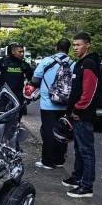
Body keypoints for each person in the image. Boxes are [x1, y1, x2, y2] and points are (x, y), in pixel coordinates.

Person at [62, 32, 100, 198]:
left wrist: (78, 110)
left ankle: (86, 186)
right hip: (77, 115)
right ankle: (77, 178)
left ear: (88, 45)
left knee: (86, 150)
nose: (75, 48)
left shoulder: (89, 64)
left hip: (83, 116)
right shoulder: (81, 63)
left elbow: (88, 92)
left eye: (78, 45)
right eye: (74, 45)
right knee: (79, 148)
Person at [31, 38, 73, 169]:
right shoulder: (73, 64)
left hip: (48, 103)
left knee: (48, 131)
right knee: (62, 130)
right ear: (69, 48)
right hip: (65, 103)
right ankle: (59, 160)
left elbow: (35, 80)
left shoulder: (47, 61)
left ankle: (47, 161)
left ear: (56, 47)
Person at [0, 42, 34, 108]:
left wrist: (28, 94)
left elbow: (31, 79)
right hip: (4, 93)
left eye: (23, 52)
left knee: (18, 113)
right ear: (13, 52)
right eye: (20, 52)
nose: (22, 54)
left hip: (18, 95)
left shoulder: (24, 64)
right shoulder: (3, 62)